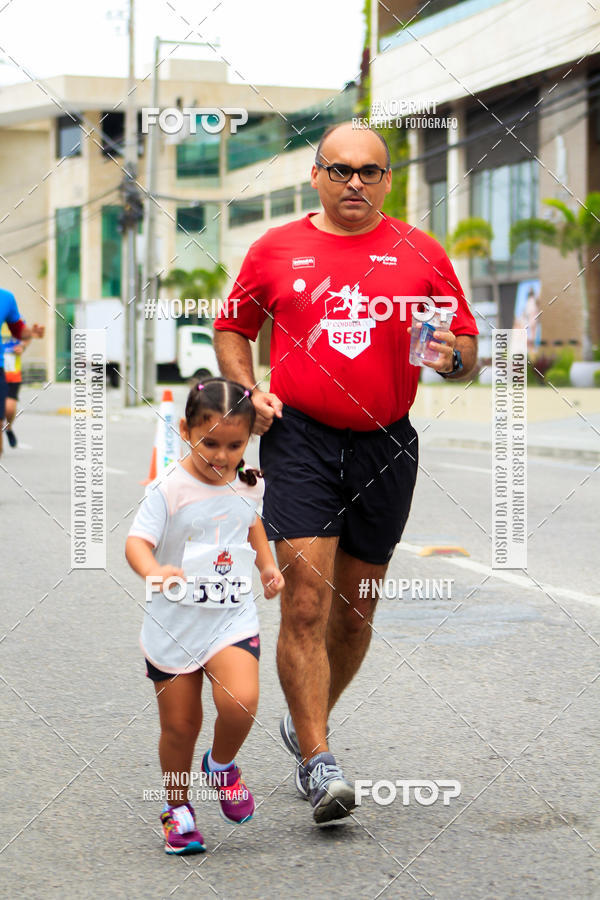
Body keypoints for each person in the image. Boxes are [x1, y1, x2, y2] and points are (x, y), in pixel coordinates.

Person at [213, 122, 478, 825]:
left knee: (356, 611)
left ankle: (307, 728)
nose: (354, 182)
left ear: (388, 180)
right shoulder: (275, 248)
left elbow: (463, 344)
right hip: (299, 438)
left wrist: (452, 355)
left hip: (387, 444)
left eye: (368, 171)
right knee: (305, 600)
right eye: (339, 170)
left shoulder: (420, 253)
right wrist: (248, 393)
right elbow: (233, 325)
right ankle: (320, 762)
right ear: (317, 177)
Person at [125, 377, 284, 854]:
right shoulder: (169, 488)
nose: (221, 456)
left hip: (229, 617)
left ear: (248, 440)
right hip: (174, 624)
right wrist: (153, 570)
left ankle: (221, 766)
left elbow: (250, 525)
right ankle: (177, 809)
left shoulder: (249, 483)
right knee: (180, 726)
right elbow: (136, 543)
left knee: (241, 701)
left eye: (234, 445)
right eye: (209, 442)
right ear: (185, 431)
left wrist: (268, 565)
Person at [0, 287, 44, 456]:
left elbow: (20, 331)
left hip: (10, 370)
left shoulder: (6, 300)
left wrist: (29, 336)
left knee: (9, 409)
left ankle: (8, 426)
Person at [1, 323, 31, 448]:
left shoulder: (16, 323)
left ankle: (9, 428)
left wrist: (23, 347)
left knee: (9, 408)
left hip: (12, 376)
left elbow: (27, 338)